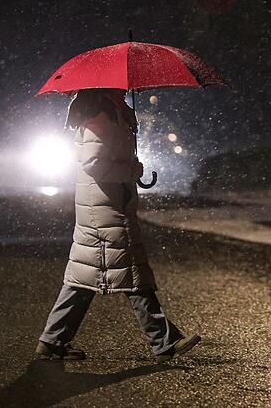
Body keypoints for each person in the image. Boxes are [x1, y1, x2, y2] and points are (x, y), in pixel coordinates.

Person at [36, 88, 200, 362]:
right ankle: (164, 341)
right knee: (131, 272)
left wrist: (129, 165)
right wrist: (129, 170)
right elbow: (94, 165)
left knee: (86, 275)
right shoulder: (100, 116)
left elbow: (108, 158)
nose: (125, 89)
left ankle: (52, 341)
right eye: (120, 87)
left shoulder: (113, 113)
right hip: (104, 208)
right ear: (106, 87)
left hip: (108, 204)